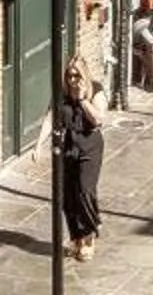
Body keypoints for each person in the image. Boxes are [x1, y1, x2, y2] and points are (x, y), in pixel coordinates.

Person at [54, 58, 105, 262]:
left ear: (84, 75)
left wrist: (83, 100)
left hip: (90, 146)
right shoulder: (63, 94)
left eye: (76, 75)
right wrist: (39, 145)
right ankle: (76, 237)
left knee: (85, 191)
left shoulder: (96, 90)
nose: (72, 79)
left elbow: (99, 119)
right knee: (68, 197)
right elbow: (51, 116)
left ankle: (89, 235)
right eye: (69, 75)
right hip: (69, 146)